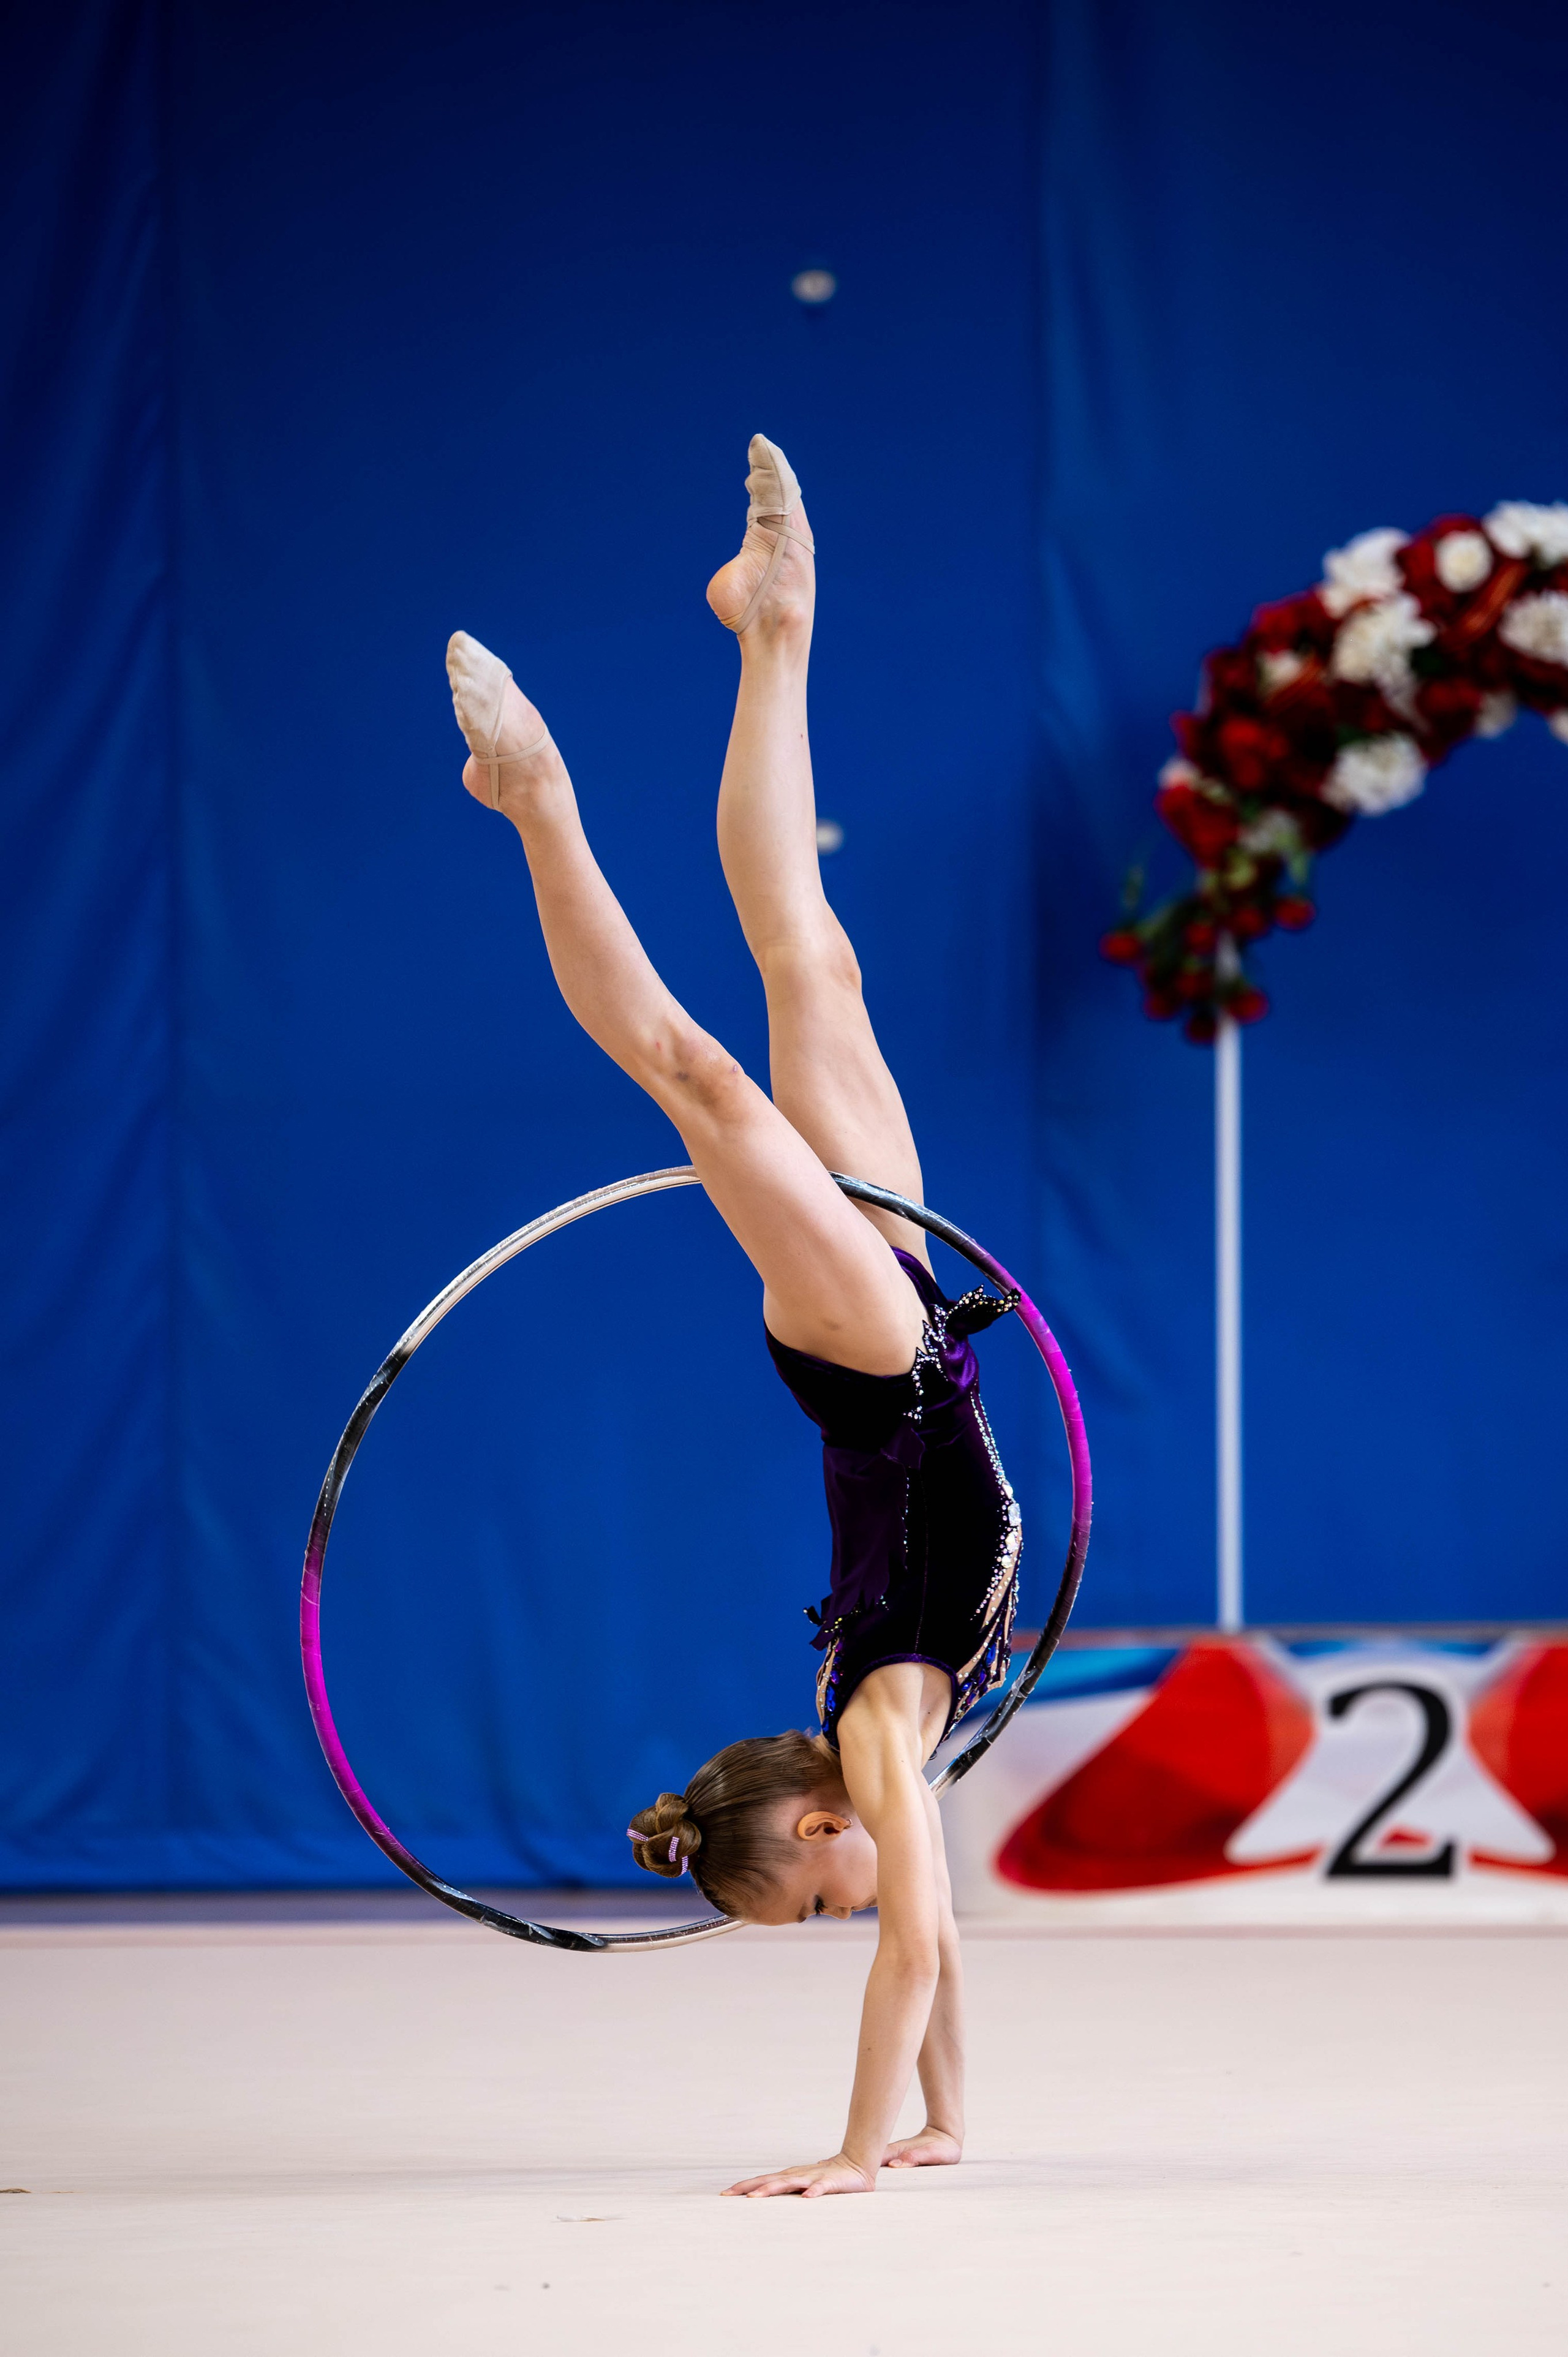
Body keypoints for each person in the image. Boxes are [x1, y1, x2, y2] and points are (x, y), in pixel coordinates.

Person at [446, 437, 1021, 2199]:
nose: (847, 1914)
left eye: (817, 1897)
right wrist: (940, 2123)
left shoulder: (875, 1738)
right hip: (900, 1333)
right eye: (816, 1917)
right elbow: (933, 1956)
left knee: (698, 1074)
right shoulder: (879, 1736)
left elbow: (915, 1949)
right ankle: (775, 627)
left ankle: (540, 797)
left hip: (877, 1361)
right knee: (810, 954)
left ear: (826, 1832)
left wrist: (852, 2156)